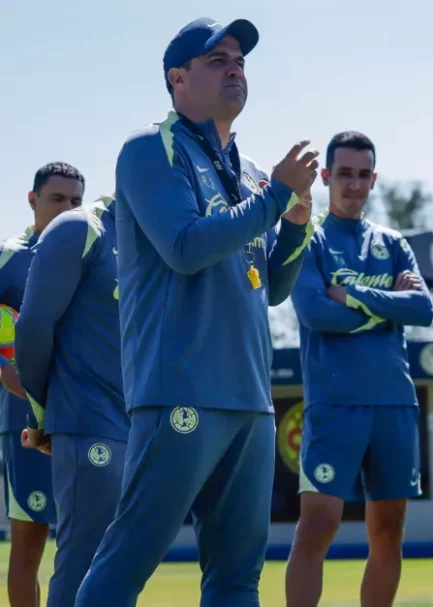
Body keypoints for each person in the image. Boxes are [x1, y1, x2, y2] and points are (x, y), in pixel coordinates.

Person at [74, 17, 318, 607]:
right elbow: (184, 249)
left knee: (237, 579)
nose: (234, 67)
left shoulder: (254, 171)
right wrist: (277, 197)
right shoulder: (149, 148)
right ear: (177, 79)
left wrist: (296, 227)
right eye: (217, 60)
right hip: (180, 386)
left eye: (239, 59)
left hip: (251, 399)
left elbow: (274, 289)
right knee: (128, 559)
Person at [285, 131, 433, 607]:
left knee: (388, 532)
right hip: (334, 405)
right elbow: (315, 314)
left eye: (363, 174)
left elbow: (423, 309)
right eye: (344, 173)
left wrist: (354, 295)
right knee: (318, 527)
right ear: (327, 177)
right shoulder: (310, 240)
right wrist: (390, 304)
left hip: (394, 402)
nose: (353, 184)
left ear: (374, 179)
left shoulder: (393, 244)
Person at [16, 195, 127, 607]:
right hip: (88, 421)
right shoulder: (85, 228)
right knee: (83, 560)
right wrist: (44, 411)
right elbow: (30, 328)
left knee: (117, 566)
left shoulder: (158, 233)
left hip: (140, 424)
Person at [0, 162, 81, 607]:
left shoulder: (97, 252)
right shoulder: (8, 258)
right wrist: (31, 392)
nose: (68, 208)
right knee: (29, 545)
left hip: (89, 418)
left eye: (75, 201)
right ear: (32, 200)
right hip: (26, 422)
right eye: (57, 199)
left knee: (91, 541)